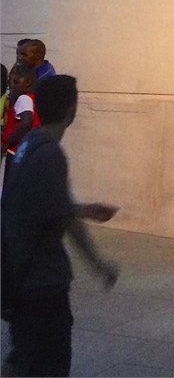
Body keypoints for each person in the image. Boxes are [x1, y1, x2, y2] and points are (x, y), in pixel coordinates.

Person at [1, 74, 119, 377]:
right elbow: (63, 219)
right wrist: (99, 265)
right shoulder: (51, 153)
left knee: (24, 359)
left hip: (21, 276)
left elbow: (38, 204)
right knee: (48, 364)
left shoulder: (28, 144)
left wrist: (83, 209)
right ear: (73, 109)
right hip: (42, 282)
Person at [1, 64, 40, 162]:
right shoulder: (32, 98)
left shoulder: (23, 98)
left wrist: (7, 142)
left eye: (15, 82)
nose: (11, 85)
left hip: (15, 151)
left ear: (28, 82)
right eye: (9, 81)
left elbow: (26, 122)